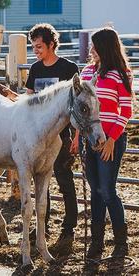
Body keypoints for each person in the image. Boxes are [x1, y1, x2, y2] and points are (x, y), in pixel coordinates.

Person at [78, 27, 133, 259]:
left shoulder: (121, 73)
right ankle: (96, 244)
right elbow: (80, 109)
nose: (91, 49)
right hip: (89, 139)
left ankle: (121, 244)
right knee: (95, 192)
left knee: (108, 191)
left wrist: (111, 140)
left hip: (111, 140)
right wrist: (76, 137)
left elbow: (127, 110)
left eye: (95, 45)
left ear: (106, 47)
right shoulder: (87, 71)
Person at [25, 23, 79, 251]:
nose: (35, 50)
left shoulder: (69, 68)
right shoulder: (36, 69)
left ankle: (68, 229)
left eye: (38, 46)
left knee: (64, 179)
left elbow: (78, 105)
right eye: (33, 46)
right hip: (38, 138)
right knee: (40, 182)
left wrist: (76, 137)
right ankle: (42, 226)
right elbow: (28, 101)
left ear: (51, 44)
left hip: (62, 136)